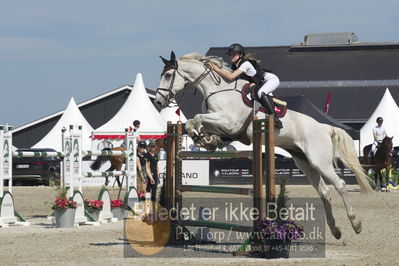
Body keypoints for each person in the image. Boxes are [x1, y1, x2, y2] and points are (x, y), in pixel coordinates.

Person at [206, 43, 282, 129]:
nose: (231, 56)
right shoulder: (234, 66)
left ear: (241, 55)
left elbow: (230, 77)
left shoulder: (245, 64)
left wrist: (215, 68)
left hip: (270, 80)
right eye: (230, 54)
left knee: (261, 93)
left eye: (234, 54)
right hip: (260, 83)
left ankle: (275, 119)